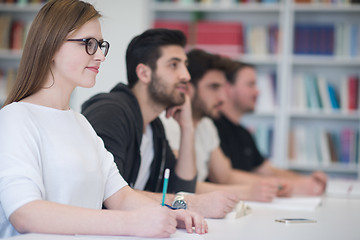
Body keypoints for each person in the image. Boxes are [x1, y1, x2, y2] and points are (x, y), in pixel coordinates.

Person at [0, 1, 207, 238]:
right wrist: (130, 223)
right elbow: (25, 213)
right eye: (89, 44)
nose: (100, 55)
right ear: (51, 46)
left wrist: (169, 213)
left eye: (100, 45)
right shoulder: (15, 118)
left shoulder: (81, 125)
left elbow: (120, 196)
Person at [81, 28, 239, 218]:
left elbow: (181, 189)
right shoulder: (111, 112)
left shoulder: (155, 128)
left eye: (185, 65)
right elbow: (106, 195)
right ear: (144, 73)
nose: (186, 76)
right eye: (174, 65)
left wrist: (187, 128)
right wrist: (188, 204)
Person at [161, 49, 281, 202]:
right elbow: (182, 187)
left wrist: (271, 185)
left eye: (222, 88)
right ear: (188, 89)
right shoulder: (168, 123)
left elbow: (224, 175)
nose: (222, 97)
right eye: (214, 87)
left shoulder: (206, 125)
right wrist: (247, 192)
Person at [213, 60, 327, 196]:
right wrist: (288, 185)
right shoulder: (213, 127)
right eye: (251, 85)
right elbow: (225, 177)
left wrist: (305, 179)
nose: (257, 91)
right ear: (228, 88)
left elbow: (265, 169)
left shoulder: (243, 133)